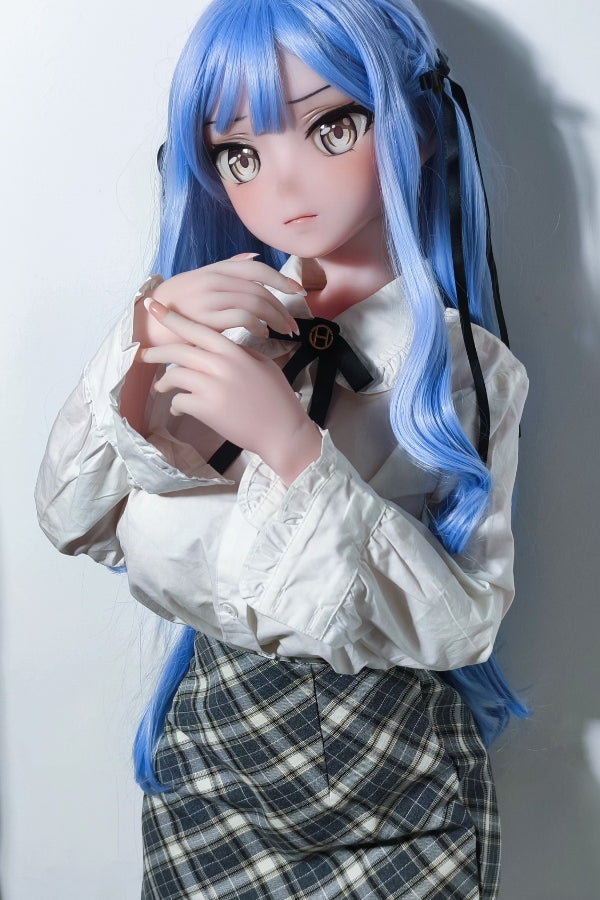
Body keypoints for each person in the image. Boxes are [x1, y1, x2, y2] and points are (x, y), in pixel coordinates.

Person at [35, 0, 529, 896]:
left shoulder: (466, 369)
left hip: (396, 773)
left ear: (418, 130)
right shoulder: (199, 327)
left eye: (332, 126)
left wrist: (293, 449)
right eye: (240, 153)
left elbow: (466, 624)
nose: (283, 183)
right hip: (212, 761)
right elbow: (75, 525)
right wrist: (140, 359)